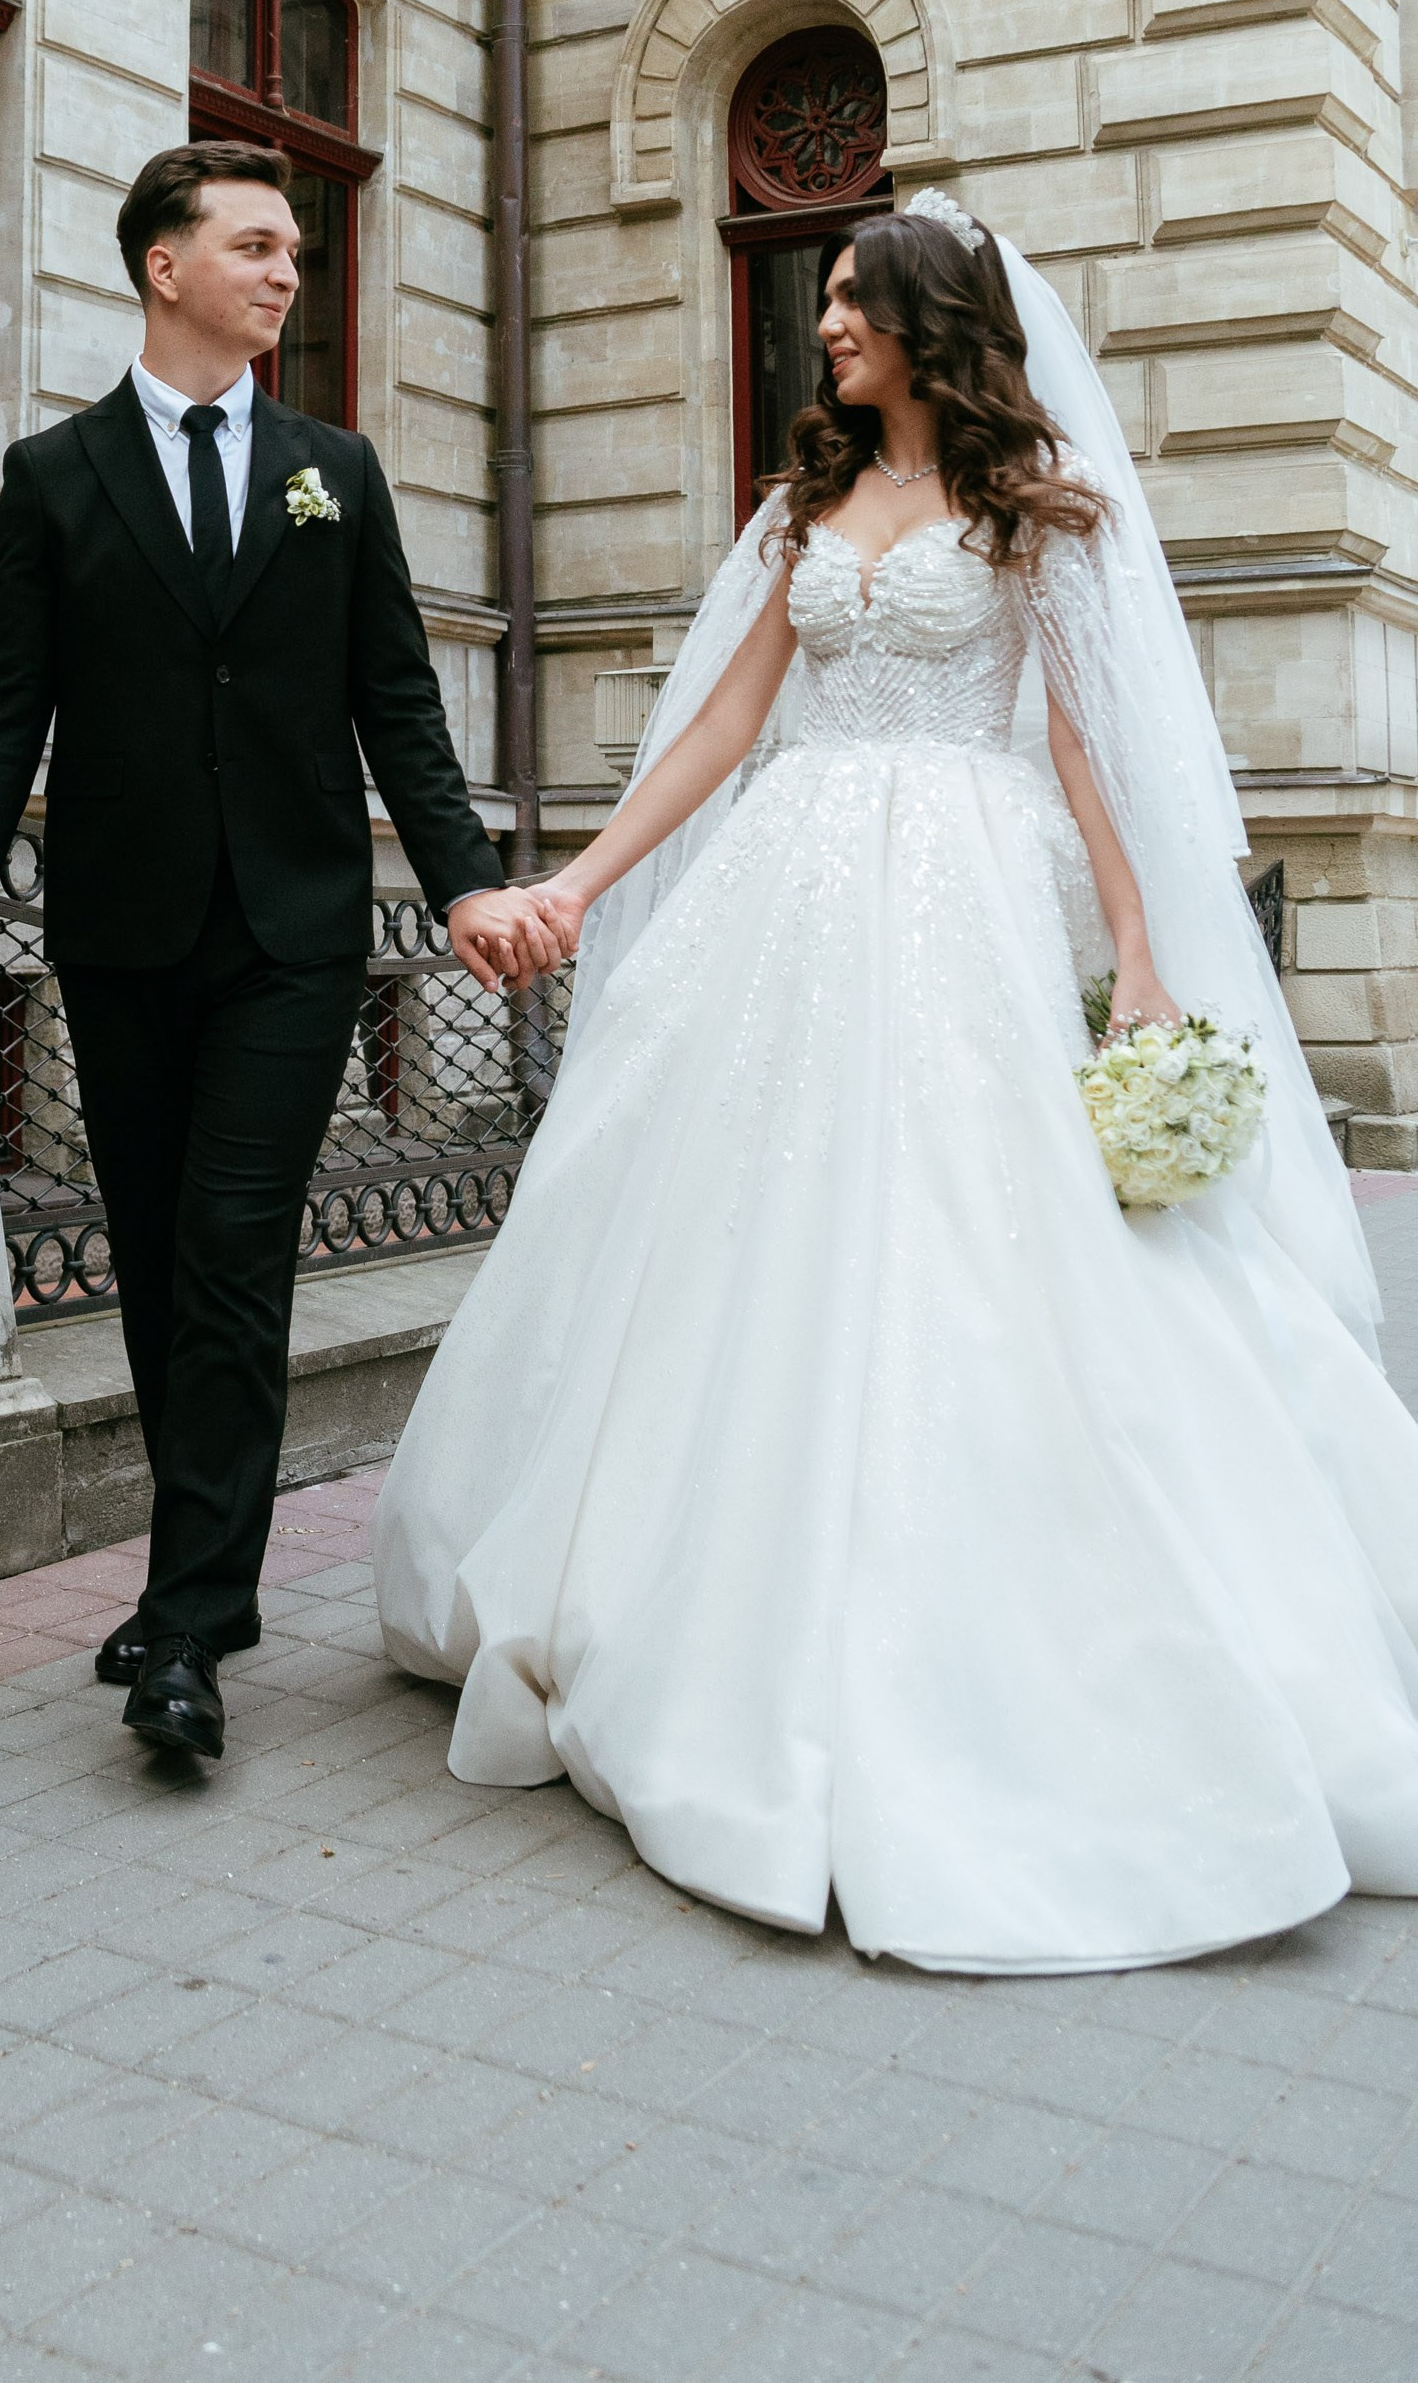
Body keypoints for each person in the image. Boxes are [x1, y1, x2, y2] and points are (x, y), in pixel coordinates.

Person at [374, 188, 1418, 1974]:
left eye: (853, 300)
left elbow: (1089, 744)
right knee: (722, 1225)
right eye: (825, 300)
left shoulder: (1038, 512)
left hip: (961, 904)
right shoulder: (804, 506)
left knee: (972, 1238)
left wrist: (1141, 958)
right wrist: (572, 883)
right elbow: (719, 723)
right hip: (784, 895)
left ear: (934, 322)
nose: (825, 324)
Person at [0, 138, 555, 1764]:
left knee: (235, 1257)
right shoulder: (55, 477)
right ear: (162, 267)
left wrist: (464, 883)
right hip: (118, 937)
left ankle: (190, 1626)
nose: (284, 274)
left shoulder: (336, 468)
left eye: (294, 254)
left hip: (291, 938)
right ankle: (202, 1576)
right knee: (155, 1261)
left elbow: (394, 699)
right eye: (255, 247)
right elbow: (4, 712)